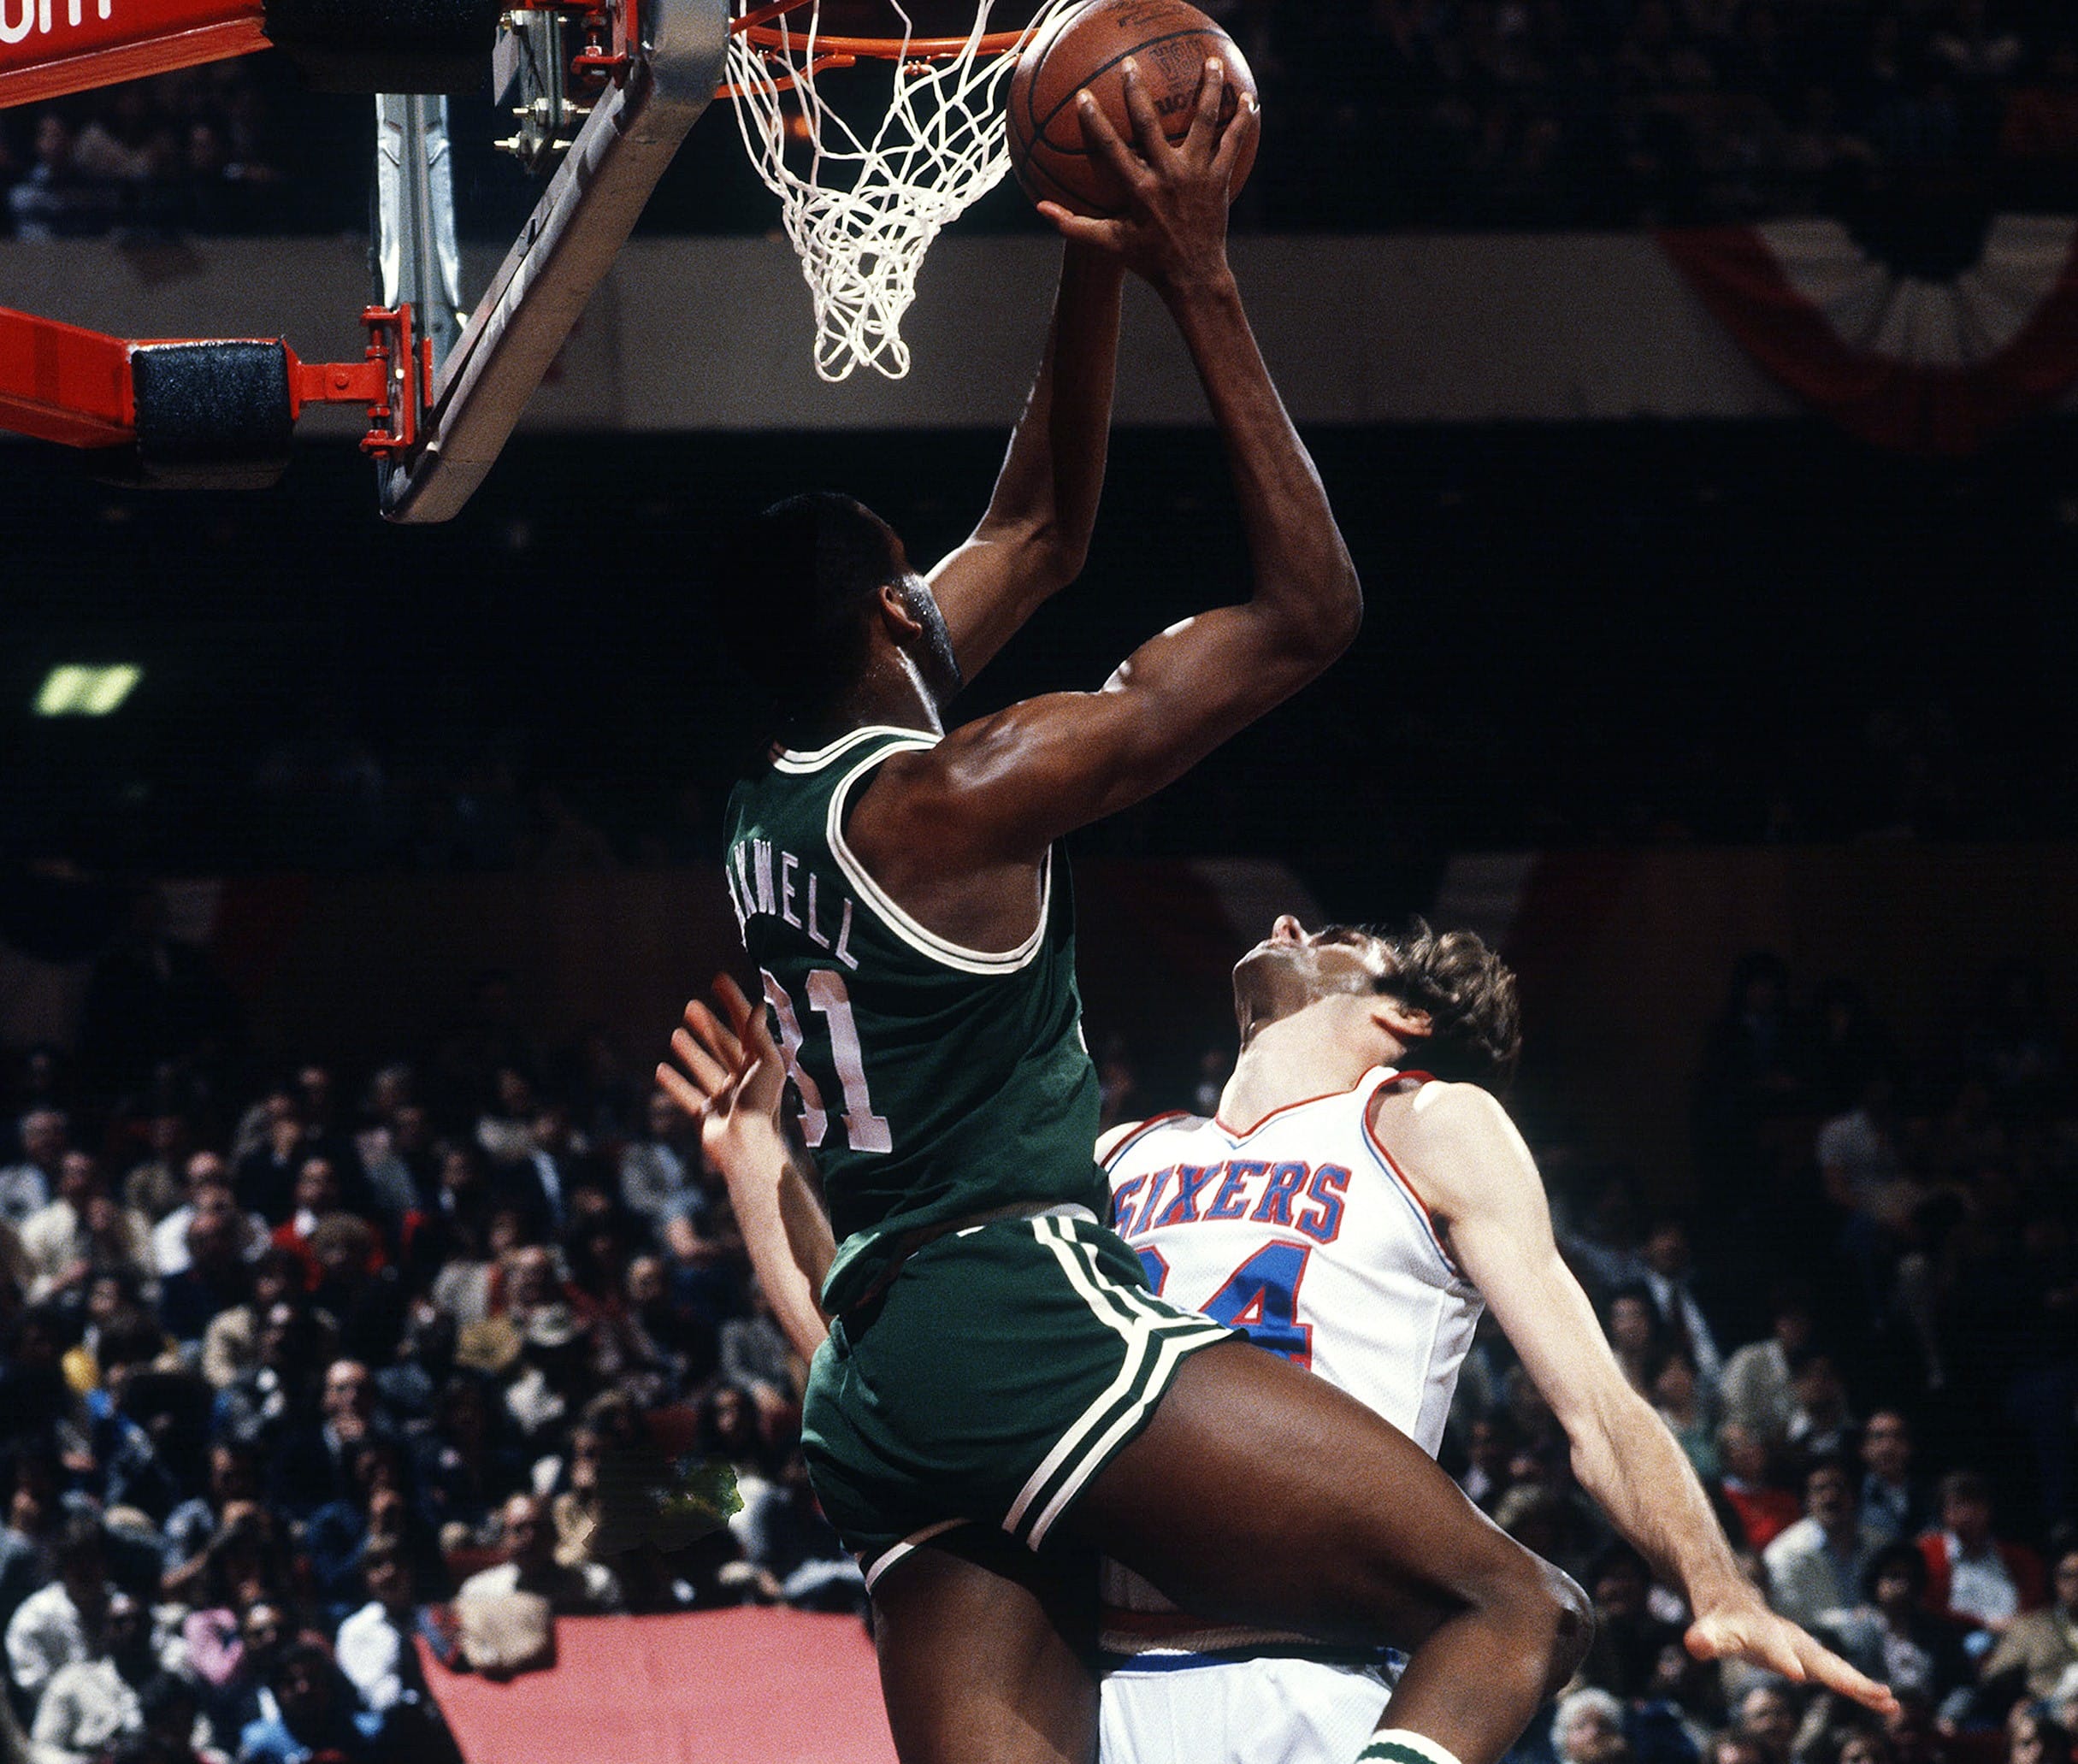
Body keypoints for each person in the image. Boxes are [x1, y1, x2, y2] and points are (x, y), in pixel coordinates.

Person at [686, 52, 1621, 1764]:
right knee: (1511, 1610)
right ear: (899, 605)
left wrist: (1090, 244)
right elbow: (1308, 610)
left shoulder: (774, 798)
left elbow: (1039, 524)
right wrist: (1198, 272)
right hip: (1015, 1318)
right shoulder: (958, 792)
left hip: (880, 1394)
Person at [664, 914, 1893, 1764]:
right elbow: (885, 1366)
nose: (1293, 930)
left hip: (1307, 1677)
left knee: (1523, 1604)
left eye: (1337, 939)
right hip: (1100, 1691)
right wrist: (751, 1164)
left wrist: (1713, 1578)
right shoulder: (1112, 1157)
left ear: (1404, 1016)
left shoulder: (1423, 1120)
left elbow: (1596, 1407)